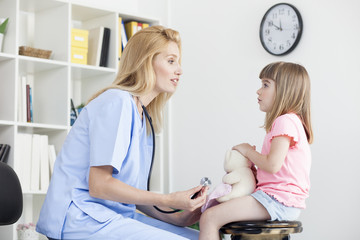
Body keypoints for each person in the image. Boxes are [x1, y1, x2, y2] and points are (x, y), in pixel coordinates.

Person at [36, 25, 208, 240]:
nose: (179, 70)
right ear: (146, 62)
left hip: (112, 215)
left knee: (200, 237)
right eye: (171, 61)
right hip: (79, 217)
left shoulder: (142, 116)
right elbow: (100, 186)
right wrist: (168, 200)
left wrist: (179, 218)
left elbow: (132, 193)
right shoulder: (117, 102)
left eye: (178, 62)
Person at [199, 61, 313, 240]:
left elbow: (272, 164)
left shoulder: (285, 121)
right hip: (279, 199)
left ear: (285, 90)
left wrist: (247, 151)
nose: (258, 91)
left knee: (209, 218)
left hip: (278, 200)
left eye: (265, 84)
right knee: (212, 211)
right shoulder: (290, 122)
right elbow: (277, 170)